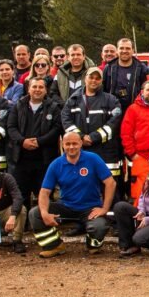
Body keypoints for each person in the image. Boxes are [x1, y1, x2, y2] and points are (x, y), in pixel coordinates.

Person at [28, 133, 115, 258]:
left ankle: (92, 245)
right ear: (62, 145)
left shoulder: (93, 158)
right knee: (35, 214)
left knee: (99, 227)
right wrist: (44, 213)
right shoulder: (56, 164)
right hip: (66, 207)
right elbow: (44, 192)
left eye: (74, 143)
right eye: (67, 144)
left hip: (90, 208)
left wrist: (105, 208)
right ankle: (54, 246)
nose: (71, 147)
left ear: (80, 143)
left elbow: (110, 183)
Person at [62, 67, 125, 202]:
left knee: (110, 185)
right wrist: (80, 137)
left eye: (97, 78)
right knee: (82, 182)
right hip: (81, 150)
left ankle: (112, 217)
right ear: (85, 78)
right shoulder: (73, 100)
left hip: (106, 150)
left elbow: (114, 123)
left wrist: (93, 137)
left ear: (101, 81)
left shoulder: (111, 100)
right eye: (91, 77)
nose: (94, 80)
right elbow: (66, 120)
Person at [5, 77, 61, 214]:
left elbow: (57, 128)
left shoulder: (53, 107)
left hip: (44, 160)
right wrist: (22, 141)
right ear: (28, 89)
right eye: (34, 87)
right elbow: (11, 127)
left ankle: (42, 222)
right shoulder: (18, 105)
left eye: (41, 87)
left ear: (46, 90)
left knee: (44, 193)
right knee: (21, 193)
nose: (37, 90)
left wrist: (40, 141)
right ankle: (22, 225)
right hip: (21, 159)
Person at [102, 38, 149, 112]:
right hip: (112, 110)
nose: (124, 51)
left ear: (133, 50)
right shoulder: (109, 68)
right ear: (117, 50)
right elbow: (103, 90)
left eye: (128, 48)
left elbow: (146, 90)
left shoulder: (142, 68)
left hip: (135, 111)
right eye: (121, 48)